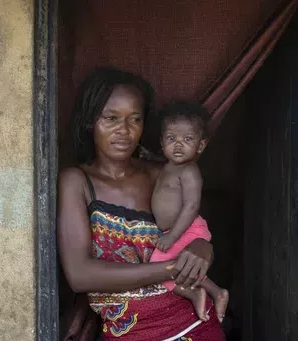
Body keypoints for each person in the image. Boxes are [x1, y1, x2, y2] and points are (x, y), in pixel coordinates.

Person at [57, 67, 225, 340]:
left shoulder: (164, 174)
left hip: (194, 325)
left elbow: (195, 235)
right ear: (90, 121)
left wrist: (203, 248)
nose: (123, 130)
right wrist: (171, 268)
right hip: (131, 331)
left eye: (134, 119)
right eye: (111, 118)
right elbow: (79, 274)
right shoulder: (76, 181)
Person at [149, 101, 229, 323]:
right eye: (171, 138)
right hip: (178, 230)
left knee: (161, 268)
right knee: (177, 267)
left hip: (187, 229)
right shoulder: (169, 165)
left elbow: (192, 206)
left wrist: (172, 236)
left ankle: (199, 293)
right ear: (162, 142)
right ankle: (216, 292)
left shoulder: (190, 171)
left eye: (187, 140)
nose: (178, 145)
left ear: (201, 146)